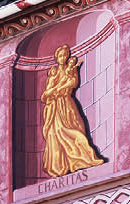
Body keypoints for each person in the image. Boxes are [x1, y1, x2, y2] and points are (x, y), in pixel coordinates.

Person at [40, 44, 104, 178]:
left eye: (65, 55)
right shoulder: (54, 73)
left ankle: (83, 158)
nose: (63, 58)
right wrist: (56, 90)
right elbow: (45, 95)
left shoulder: (71, 70)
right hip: (55, 108)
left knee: (75, 130)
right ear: (57, 58)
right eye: (61, 55)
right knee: (55, 133)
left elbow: (73, 83)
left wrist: (66, 82)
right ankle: (58, 166)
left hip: (67, 104)